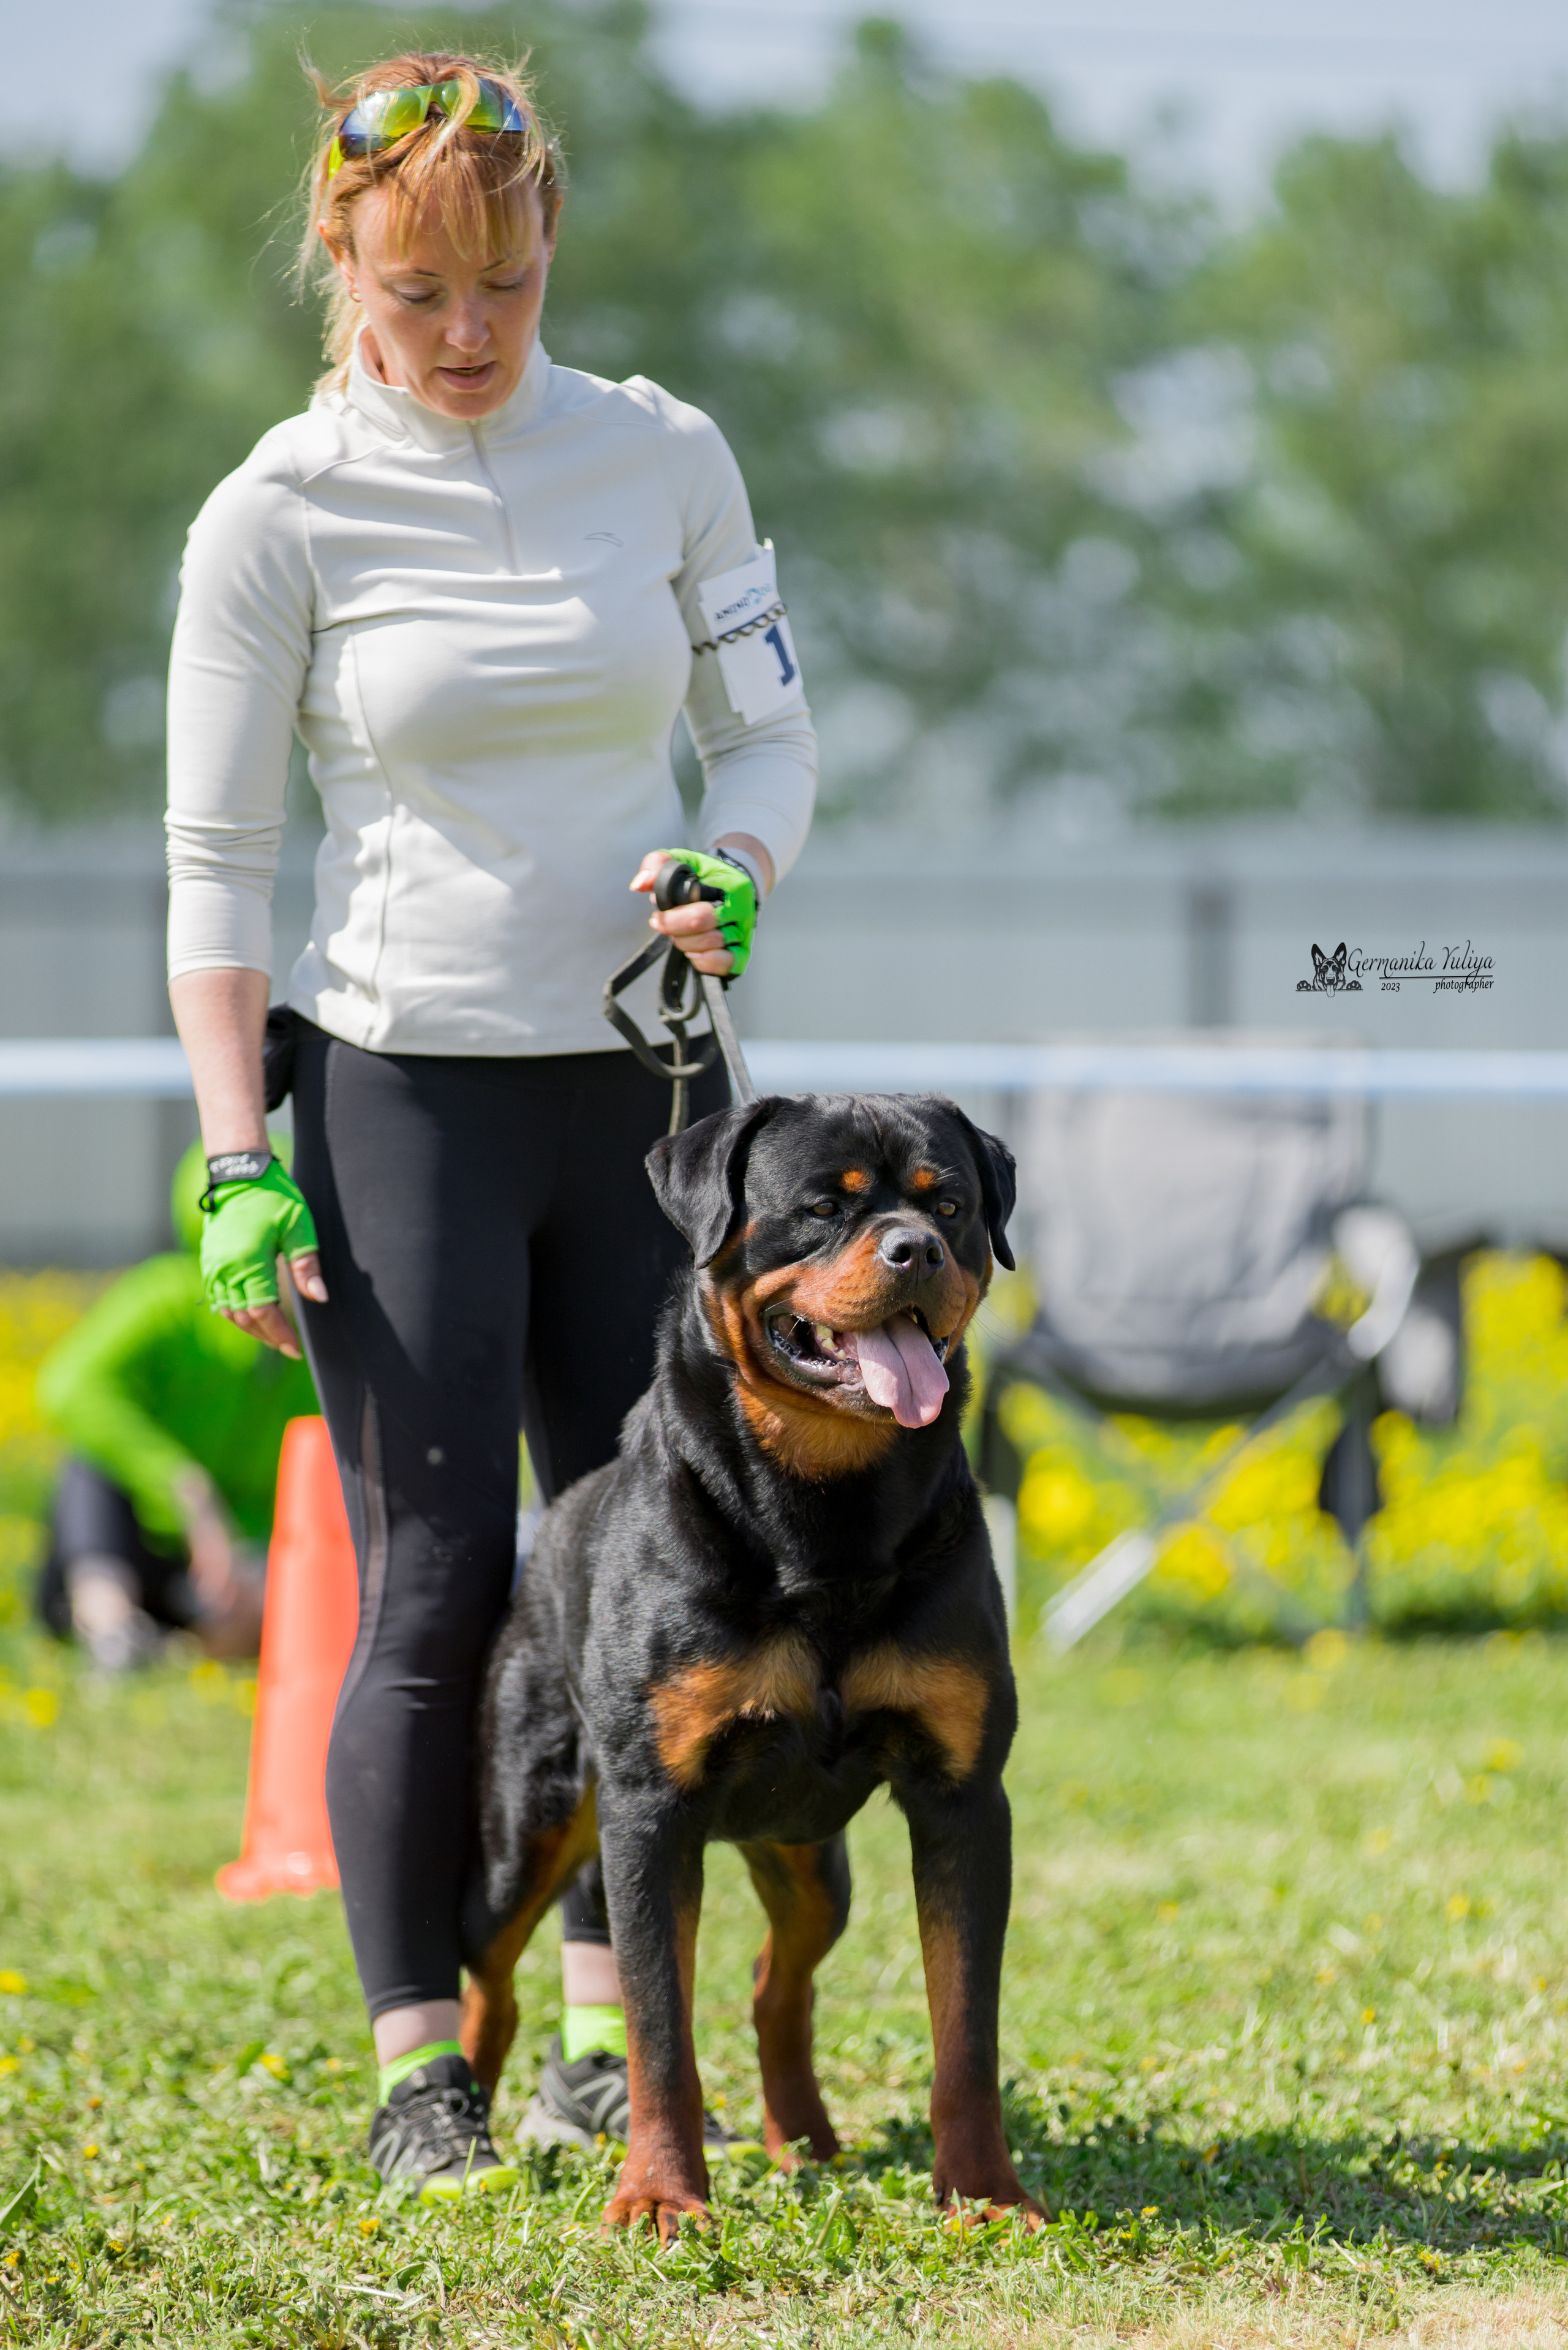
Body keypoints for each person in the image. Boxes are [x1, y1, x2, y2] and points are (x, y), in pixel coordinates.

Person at [164, 53, 816, 2199]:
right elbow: (214, 866)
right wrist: (239, 1154)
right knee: (438, 1583)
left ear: (553, 256)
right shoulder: (278, 509)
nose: (463, 332)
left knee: (661, 1577)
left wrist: (739, 866)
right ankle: (420, 2054)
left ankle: (615, 2045)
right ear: (337, 258)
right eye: (417, 286)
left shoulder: (664, 455)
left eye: (505, 288)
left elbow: (770, 733)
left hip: (648, 1099)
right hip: (399, 1092)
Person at [35, 1137, 314, 1671]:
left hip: (224, 1573)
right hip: (122, 1548)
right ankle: (111, 1630)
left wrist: (254, 1553)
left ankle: (179, 1653)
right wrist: (185, 1488)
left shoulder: (318, 1351)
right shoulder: (164, 1297)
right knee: (90, 1465)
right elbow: (67, 1386)